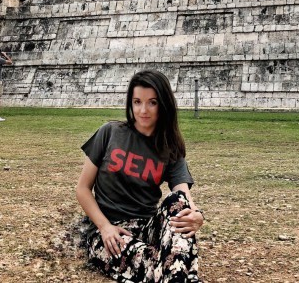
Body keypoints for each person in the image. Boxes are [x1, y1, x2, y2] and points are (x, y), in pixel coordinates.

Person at [76, 69, 204, 282]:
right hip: (109, 231)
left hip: (147, 227)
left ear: (163, 105)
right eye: (137, 102)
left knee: (178, 204)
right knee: (153, 261)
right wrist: (104, 227)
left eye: (152, 102)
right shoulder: (109, 132)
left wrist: (197, 215)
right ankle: (182, 275)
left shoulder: (169, 146)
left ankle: (176, 273)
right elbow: (82, 189)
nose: (143, 110)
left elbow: (182, 193)